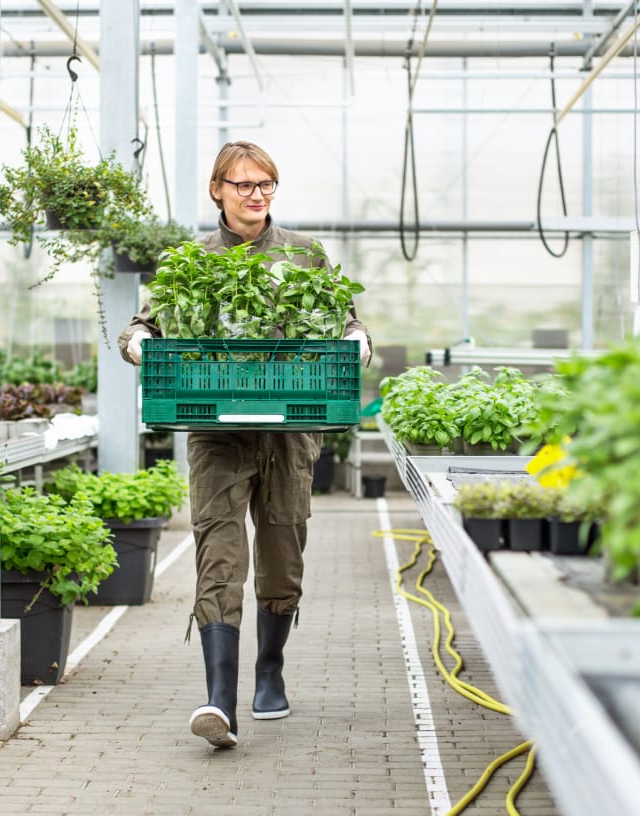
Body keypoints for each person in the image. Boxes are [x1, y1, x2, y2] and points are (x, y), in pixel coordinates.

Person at [118, 141, 372, 749]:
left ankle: (271, 669)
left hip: (290, 429)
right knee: (219, 549)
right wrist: (136, 343)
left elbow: (347, 317)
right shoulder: (193, 259)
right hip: (216, 427)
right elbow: (146, 324)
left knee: (284, 545)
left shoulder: (304, 254)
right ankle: (217, 699)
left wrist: (357, 339)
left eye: (265, 184)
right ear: (218, 190)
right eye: (243, 184)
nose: (256, 194)